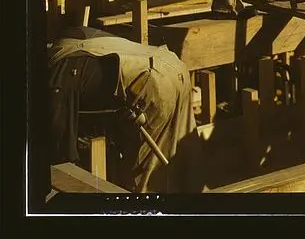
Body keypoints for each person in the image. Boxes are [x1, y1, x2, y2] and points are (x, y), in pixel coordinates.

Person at [47, 26, 201, 193]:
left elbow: (63, 157)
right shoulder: (71, 41)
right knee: (185, 163)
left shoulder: (57, 76)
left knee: (147, 182)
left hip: (153, 81)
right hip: (173, 64)